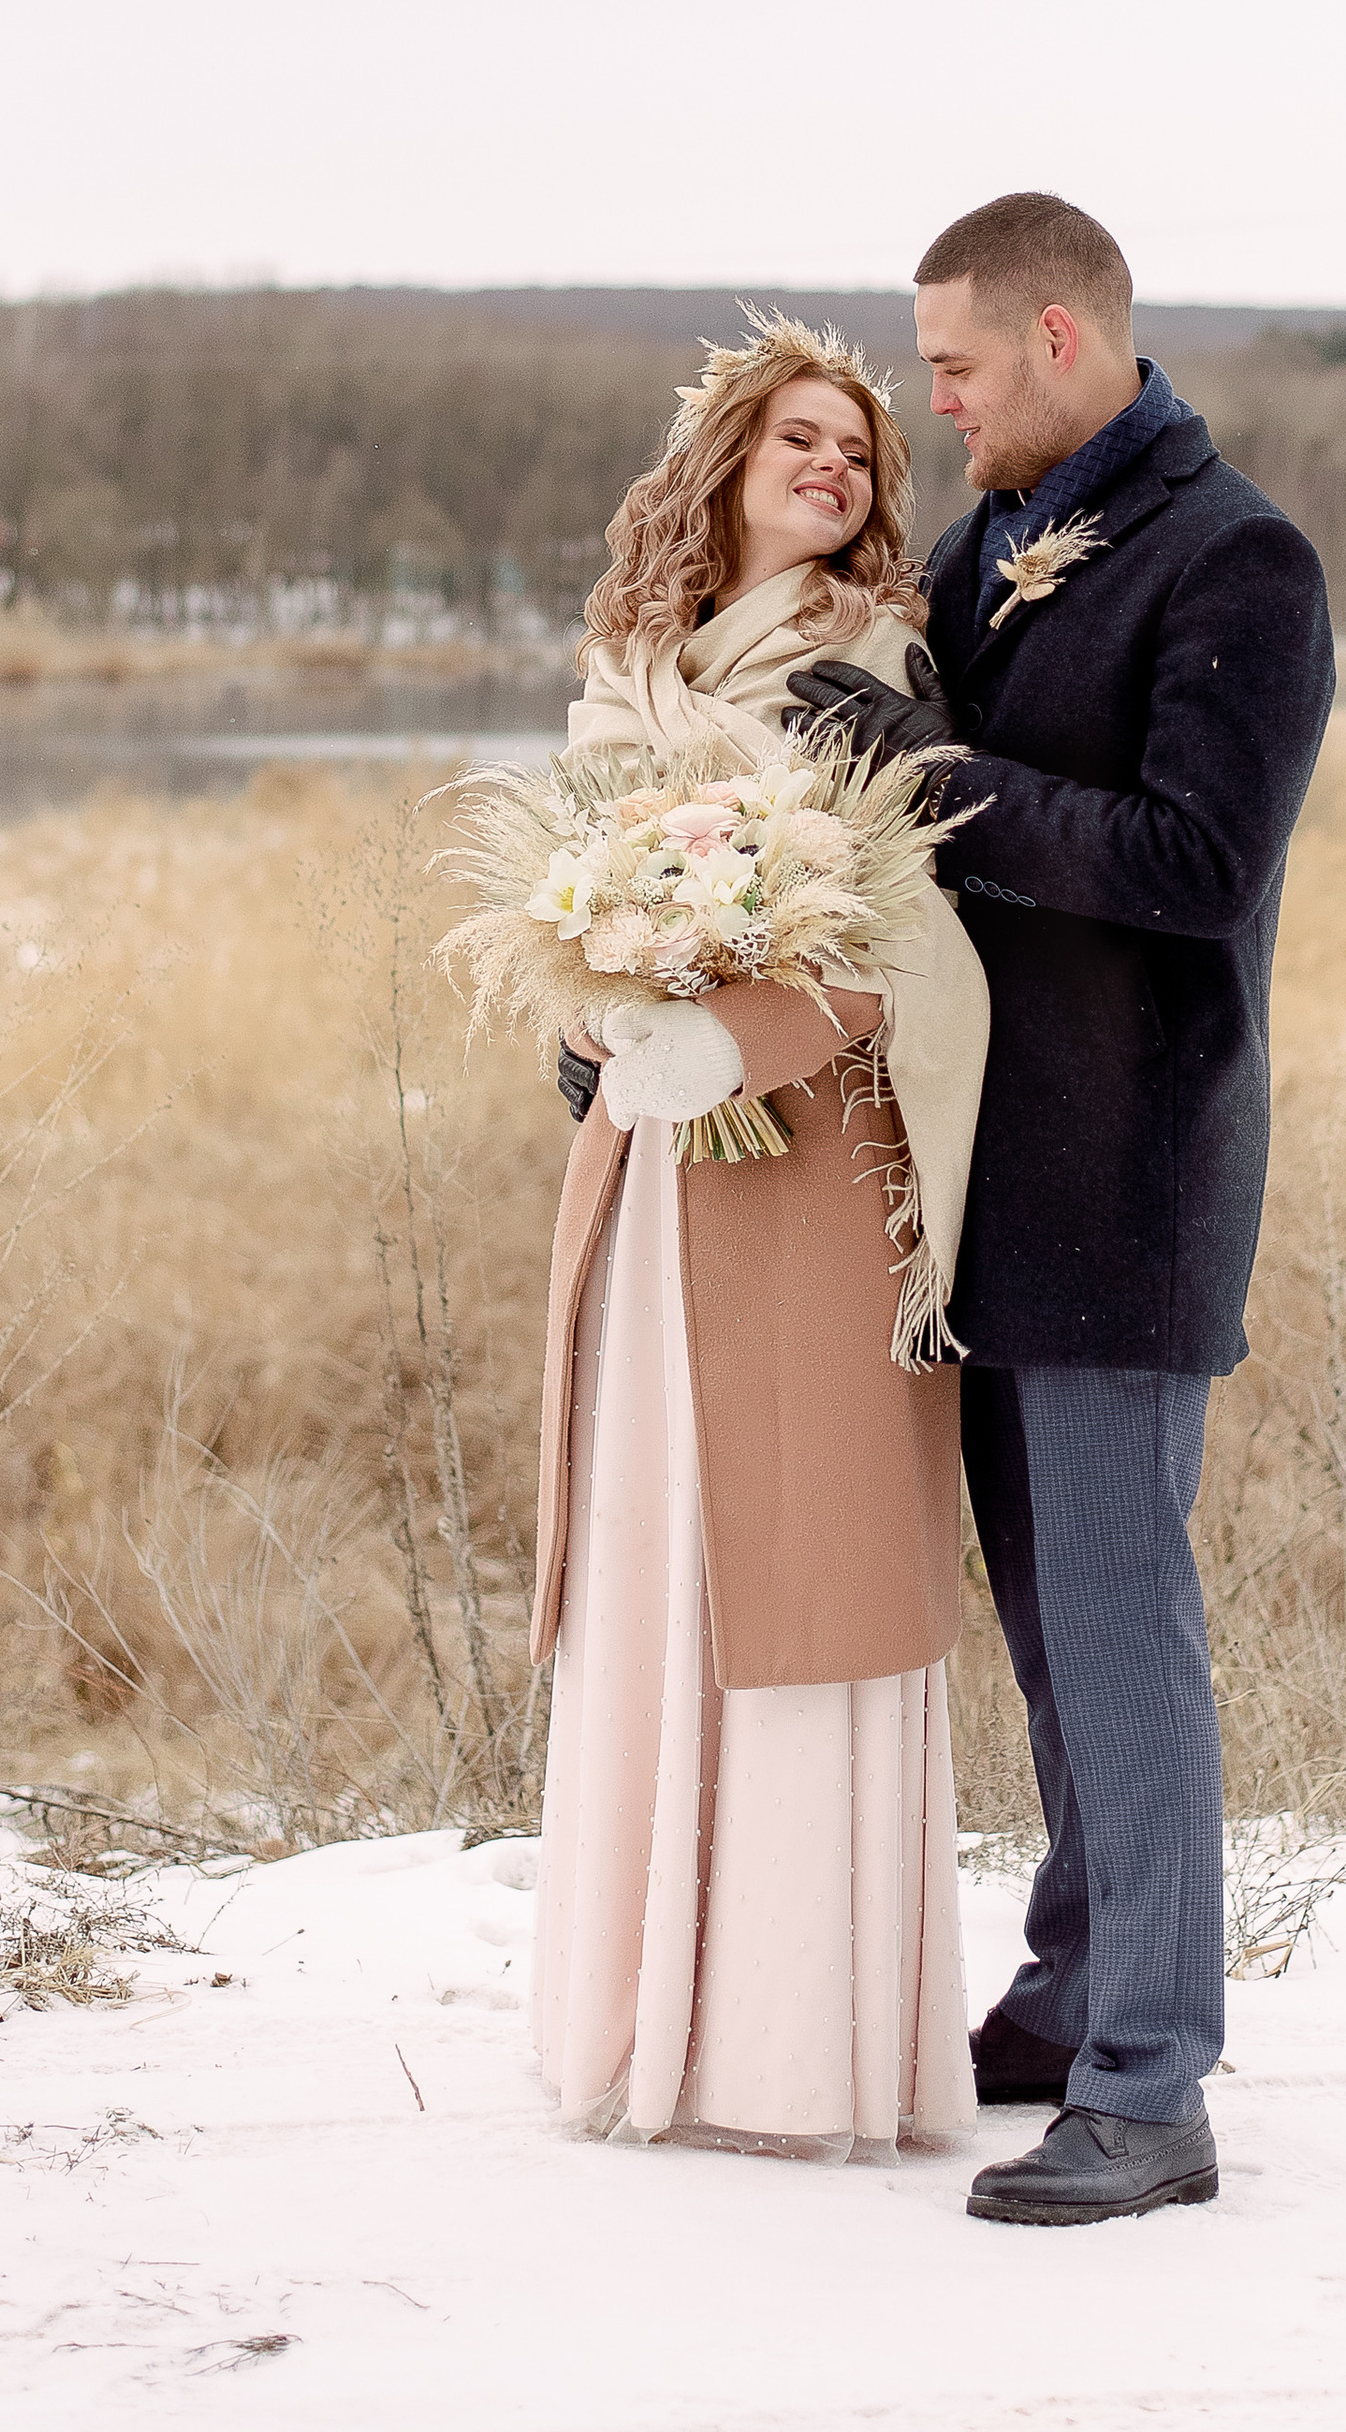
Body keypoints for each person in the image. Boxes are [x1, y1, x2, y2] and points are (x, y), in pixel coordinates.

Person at [788, 192, 1335, 2227]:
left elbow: (1193, 861)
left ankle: (1152, 2082)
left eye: (945, 364)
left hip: (1131, 1179)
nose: (926, 400)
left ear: (1055, 338)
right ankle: (1067, 1983)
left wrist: (931, 781)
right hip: (984, 1180)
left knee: (1119, 1633)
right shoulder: (981, 547)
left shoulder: (1235, 560)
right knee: (1042, 1633)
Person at [528, 313, 991, 2159]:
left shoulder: (878, 663)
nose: (835, 467)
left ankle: (794, 2046)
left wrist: (745, 1034)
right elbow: (561, 900)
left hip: (809, 1170)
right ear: (723, 457)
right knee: (658, 1551)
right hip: (651, 1169)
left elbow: (910, 931)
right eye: (798, 436)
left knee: (792, 1573)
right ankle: (642, 2019)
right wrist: (597, 1025)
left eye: (862, 451)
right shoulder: (626, 674)